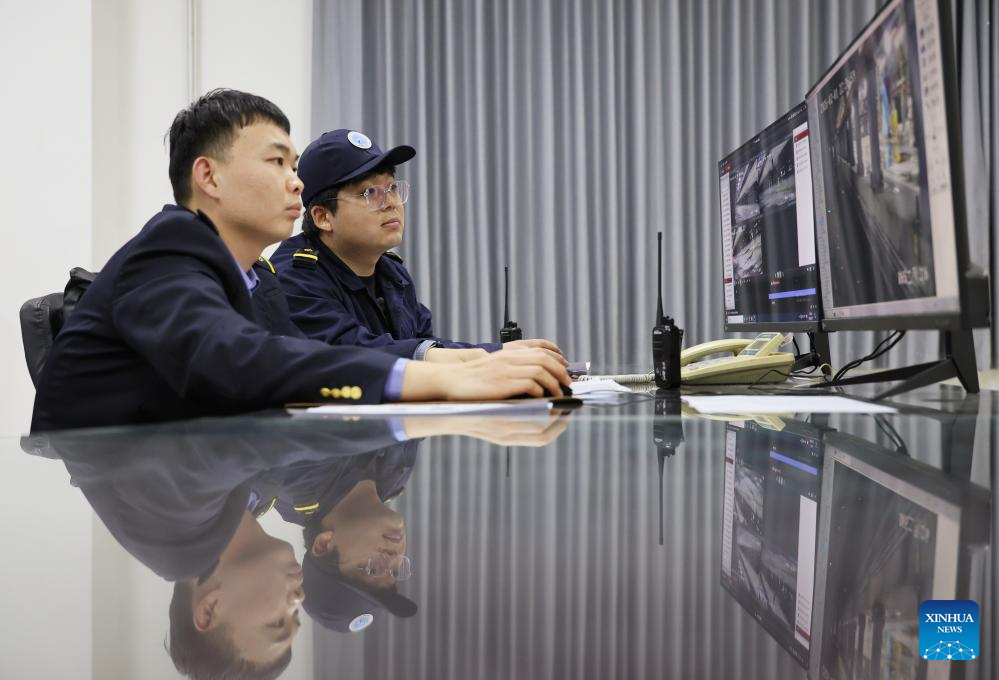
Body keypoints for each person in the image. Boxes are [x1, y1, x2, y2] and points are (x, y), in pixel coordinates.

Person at [30, 90, 569, 432]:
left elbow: (303, 365)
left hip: (208, 503)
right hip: (95, 526)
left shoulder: (256, 277)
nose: (295, 182)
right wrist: (450, 381)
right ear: (209, 177)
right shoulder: (165, 252)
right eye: (276, 162)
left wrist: (470, 370)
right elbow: (251, 363)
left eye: (294, 166)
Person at [270, 128, 562, 363]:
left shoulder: (391, 272)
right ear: (323, 217)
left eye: (392, 188)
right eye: (370, 193)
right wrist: (489, 356)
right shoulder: (294, 277)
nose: (391, 203)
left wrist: (498, 356)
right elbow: (353, 352)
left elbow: (425, 346)